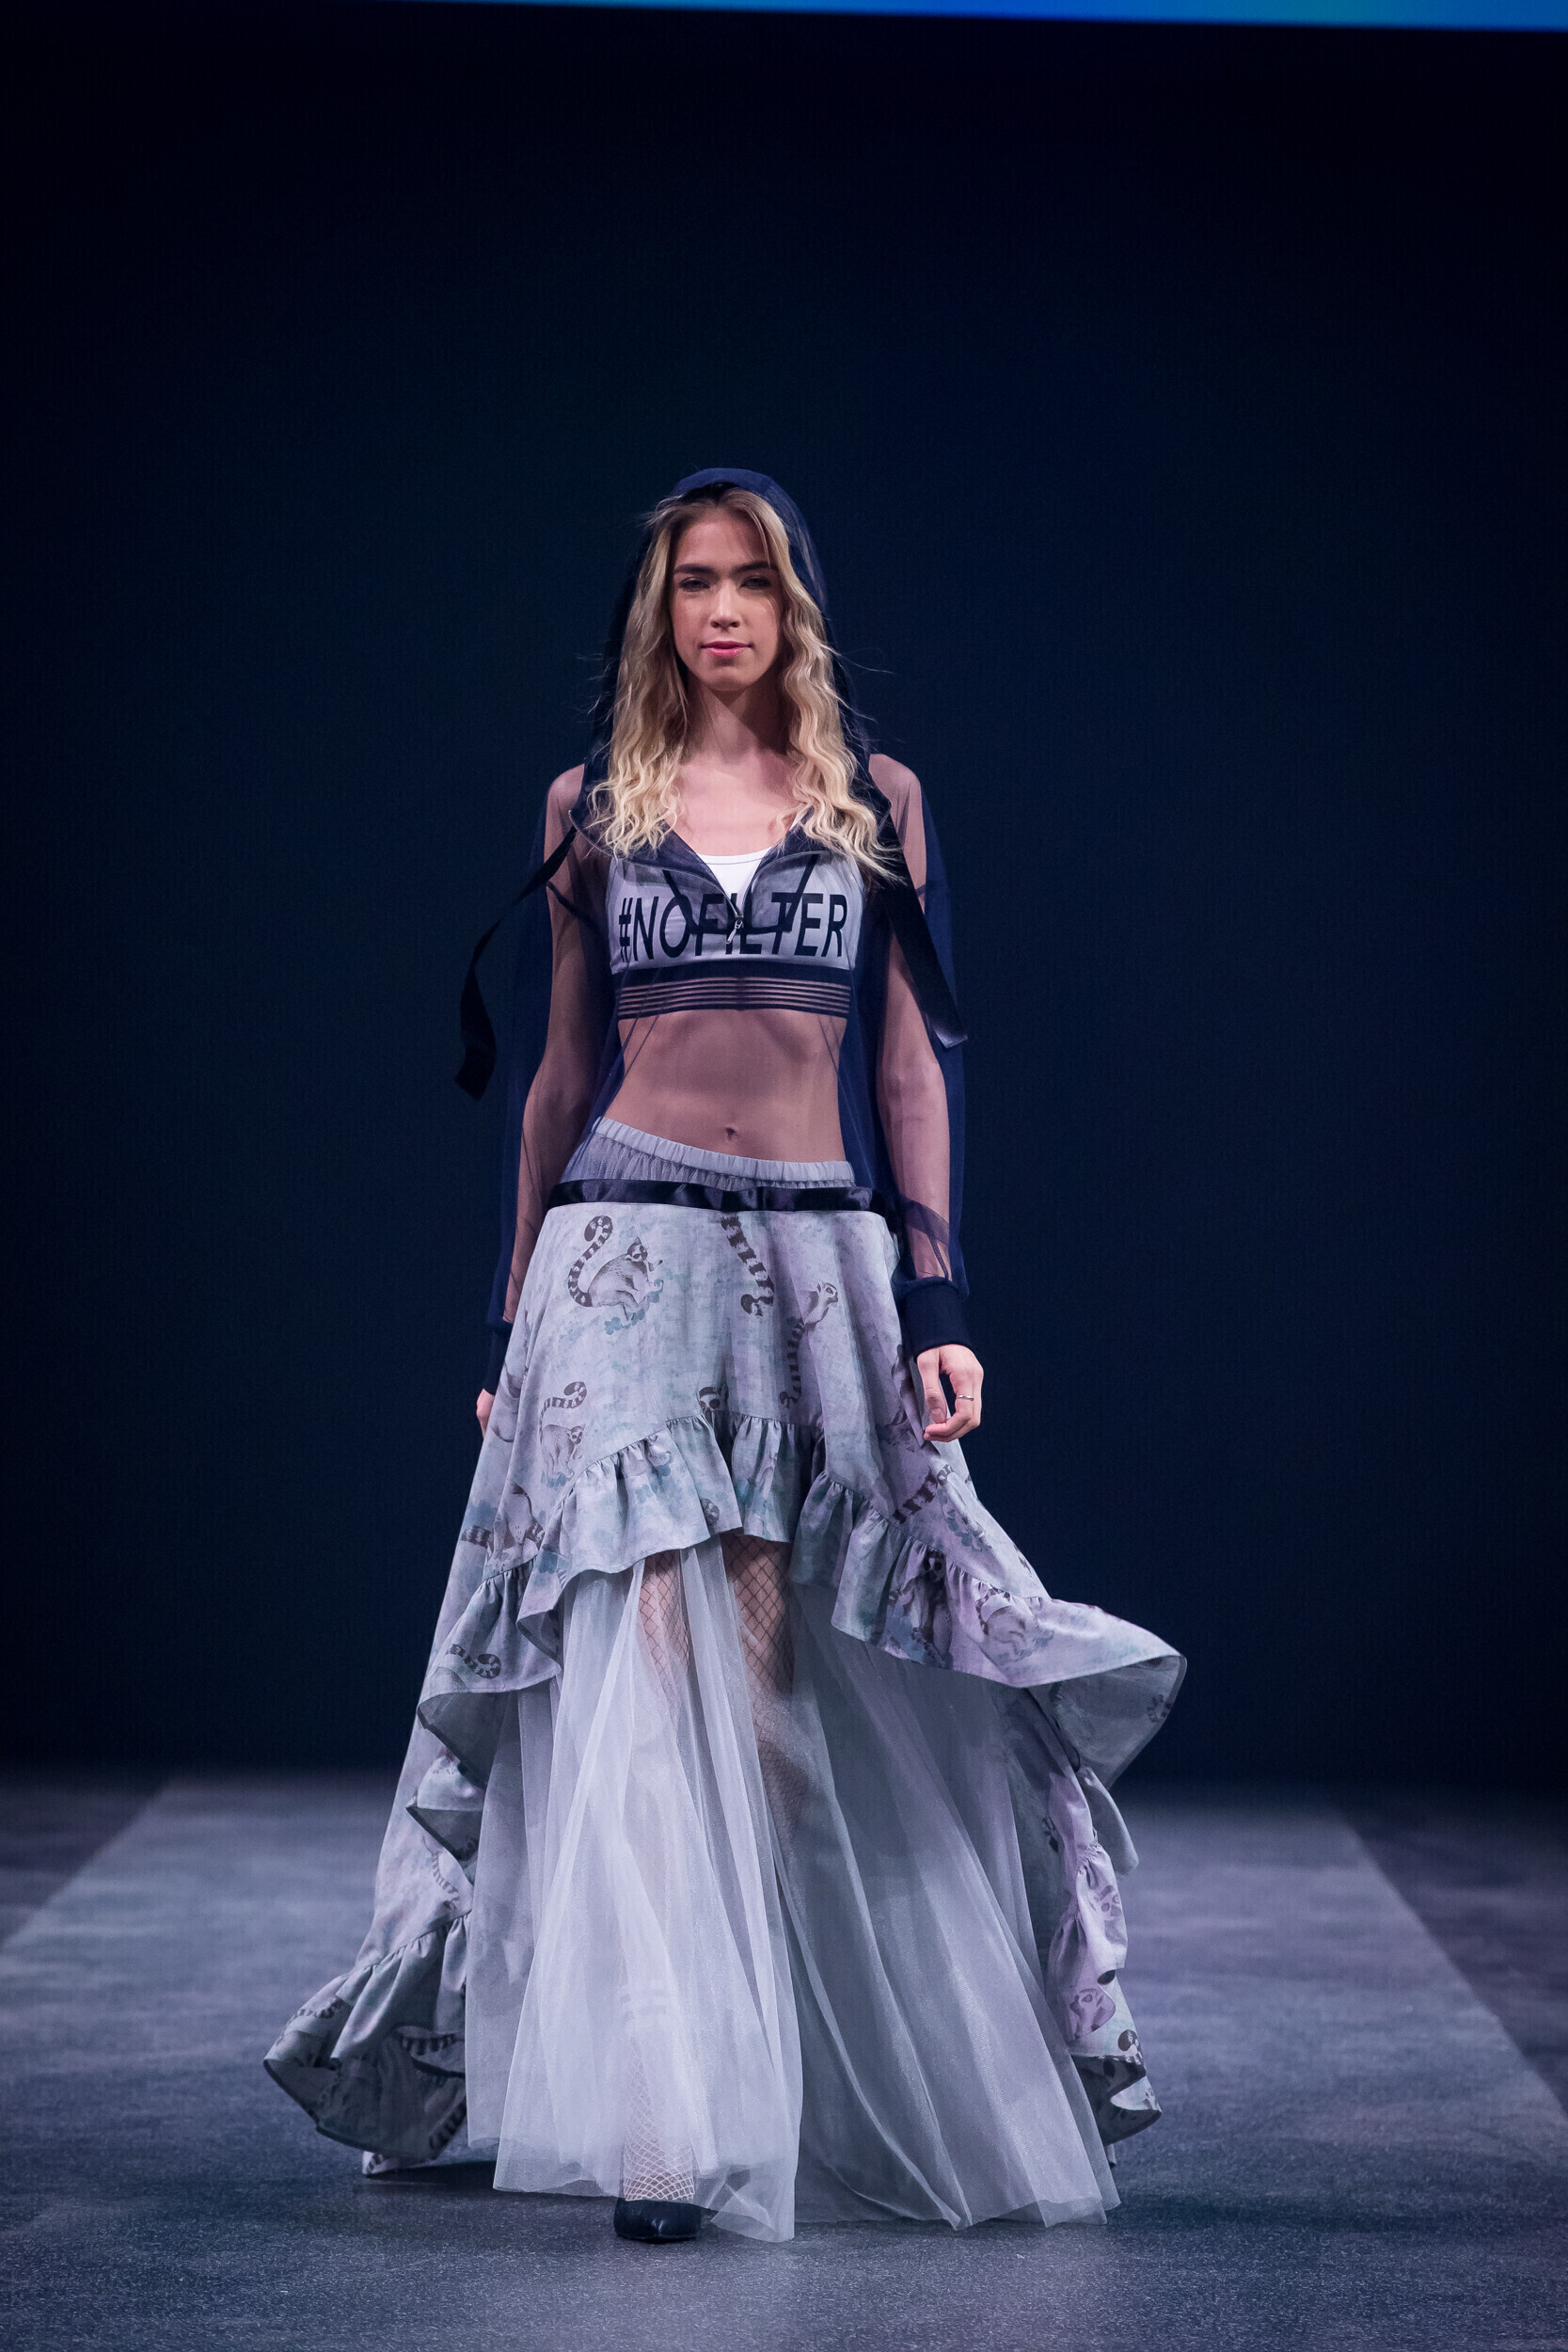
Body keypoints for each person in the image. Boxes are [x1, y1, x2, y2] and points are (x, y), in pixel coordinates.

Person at [266, 469, 1183, 2246]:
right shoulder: (593, 806)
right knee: (638, 1677)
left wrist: (940, 1300)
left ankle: (762, 2075)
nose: (722, 610)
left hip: (814, 1265)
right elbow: (558, 1076)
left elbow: (909, 1063)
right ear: (659, 608)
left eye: (752, 579)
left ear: (793, 602)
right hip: (624, 1261)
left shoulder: (876, 803)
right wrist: (509, 1319)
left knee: (759, 1704)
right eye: (693, 582)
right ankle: (662, 2128)